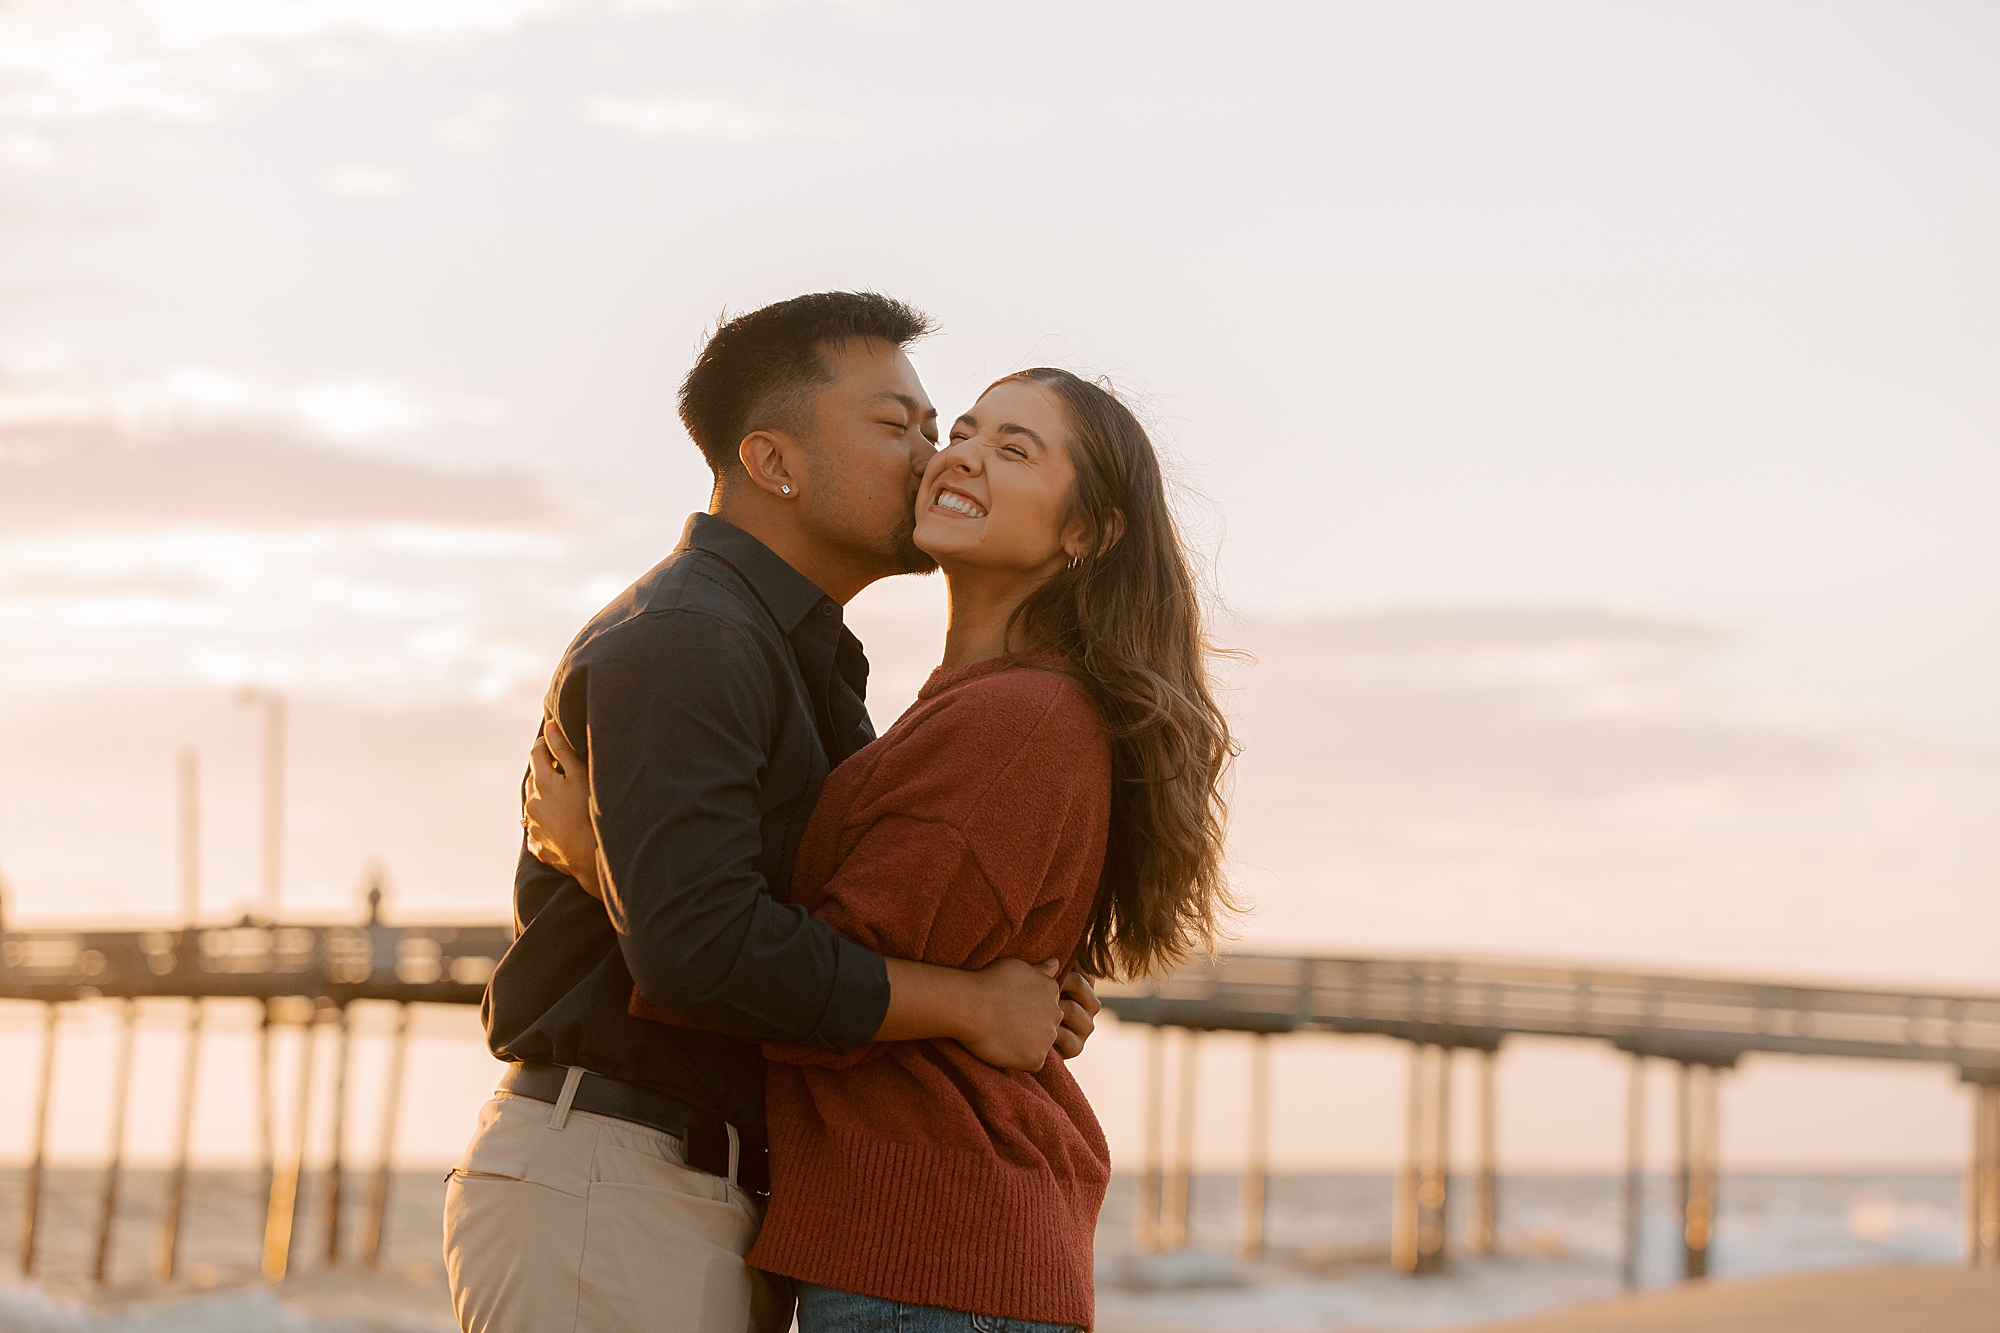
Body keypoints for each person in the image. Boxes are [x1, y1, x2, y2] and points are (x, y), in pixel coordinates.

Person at [445, 293, 1105, 1333]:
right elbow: (697, 947)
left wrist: (1008, 977)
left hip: (707, 1194)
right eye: (898, 428)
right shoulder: (688, 637)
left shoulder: (805, 659)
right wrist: (966, 1002)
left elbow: (813, 910)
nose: (931, 458)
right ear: (773, 462)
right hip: (620, 1182)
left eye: (937, 430)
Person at [529, 366, 1238, 1331]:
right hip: (930, 1255)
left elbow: (791, 979)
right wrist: (982, 1003)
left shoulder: (1014, 719)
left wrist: (610, 868)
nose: (961, 454)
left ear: (1087, 533)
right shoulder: (968, 708)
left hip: (927, 1258)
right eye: (966, 428)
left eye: (1014, 448)